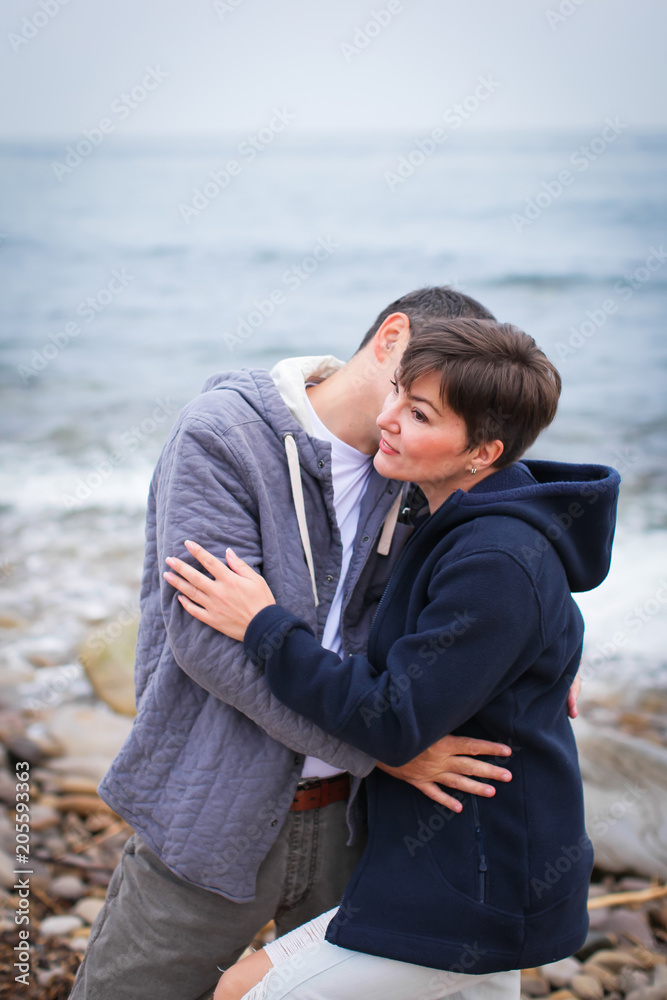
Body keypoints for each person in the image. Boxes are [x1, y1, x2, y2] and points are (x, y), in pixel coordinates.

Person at [71, 288, 543, 1000]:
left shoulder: (428, 461)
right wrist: (389, 748)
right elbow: (208, 646)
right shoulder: (224, 434)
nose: (407, 419)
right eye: (422, 390)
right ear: (391, 337)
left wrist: (536, 650)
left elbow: (521, 522)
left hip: (358, 819)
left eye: (432, 409)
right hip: (213, 800)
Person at [164, 318, 620, 1000]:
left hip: (472, 889)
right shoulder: (457, 518)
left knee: (241, 994)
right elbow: (511, 618)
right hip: (456, 866)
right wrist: (555, 649)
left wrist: (261, 625)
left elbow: (390, 719)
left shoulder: (493, 554)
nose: (387, 419)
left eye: (418, 414)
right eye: (397, 394)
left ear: (481, 451)